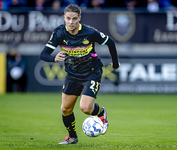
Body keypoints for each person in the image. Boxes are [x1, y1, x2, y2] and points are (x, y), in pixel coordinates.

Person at [40, 4, 120, 144]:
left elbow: (110, 43)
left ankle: (101, 113)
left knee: (85, 108)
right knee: (65, 109)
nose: (71, 22)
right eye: (68, 19)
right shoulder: (59, 33)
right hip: (72, 74)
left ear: (79, 19)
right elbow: (43, 54)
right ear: (64, 18)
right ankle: (72, 137)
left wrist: (115, 63)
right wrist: (53, 58)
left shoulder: (89, 32)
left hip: (92, 72)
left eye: (74, 19)